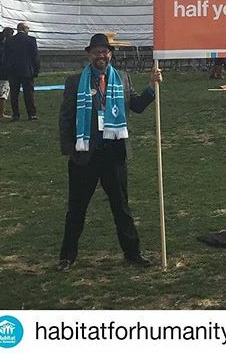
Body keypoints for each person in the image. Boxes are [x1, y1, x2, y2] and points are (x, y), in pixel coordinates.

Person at [57, 33, 161, 271]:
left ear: (110, 55)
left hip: (114, 154)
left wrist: (152, 88)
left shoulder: (122, 78)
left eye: (104, 52)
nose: (100, 56)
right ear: (89, 55)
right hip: (85, 155)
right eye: (95, 52)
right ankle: (67, 256)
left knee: (122, 207)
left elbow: (135, 106)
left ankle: (133, 253)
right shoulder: (74, 81)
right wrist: (70, 151)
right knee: (76, 209)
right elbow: (65, 118)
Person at [4, 22, 40, 121]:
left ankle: (15, 114)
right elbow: (35, 57)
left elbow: (5, 56)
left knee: (14, 94)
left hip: (13, 70)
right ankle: (31, 114)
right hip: (27, 70)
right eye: (28, 28)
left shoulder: (10, 40)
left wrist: (7, 68)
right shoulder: (31, 40)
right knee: (28, 93)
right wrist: (36, 70)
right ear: (24, 29)